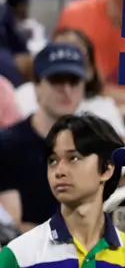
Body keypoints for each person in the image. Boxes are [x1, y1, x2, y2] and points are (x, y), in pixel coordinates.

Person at [0, 114, 125, 268]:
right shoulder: (18, 256)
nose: (59, 171)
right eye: (53, 160)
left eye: (74, 158)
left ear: (107, 169)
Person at [0, 43, 91, 231]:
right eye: (57, 80)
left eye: (74, 81)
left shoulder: (94, 145)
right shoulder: (8, 145)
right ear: (37, 84)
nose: (67, 90)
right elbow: (13, 226)